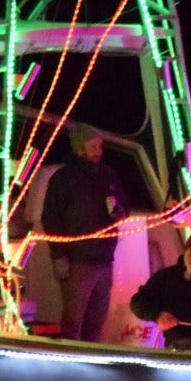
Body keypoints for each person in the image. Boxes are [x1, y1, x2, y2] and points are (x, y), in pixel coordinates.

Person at [40, 122, 129, 342]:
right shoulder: (63, 178)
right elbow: (51, 218)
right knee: (73, 319)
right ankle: (69, 361)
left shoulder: (109, 175)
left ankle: (92, 361)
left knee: (97, 319)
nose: (99, 151)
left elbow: (124, 206)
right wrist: (59, 255)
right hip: (77, 260)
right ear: (80, 147)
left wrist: (120, 211)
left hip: (105, 261)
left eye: (100, 146)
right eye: (93, 147)